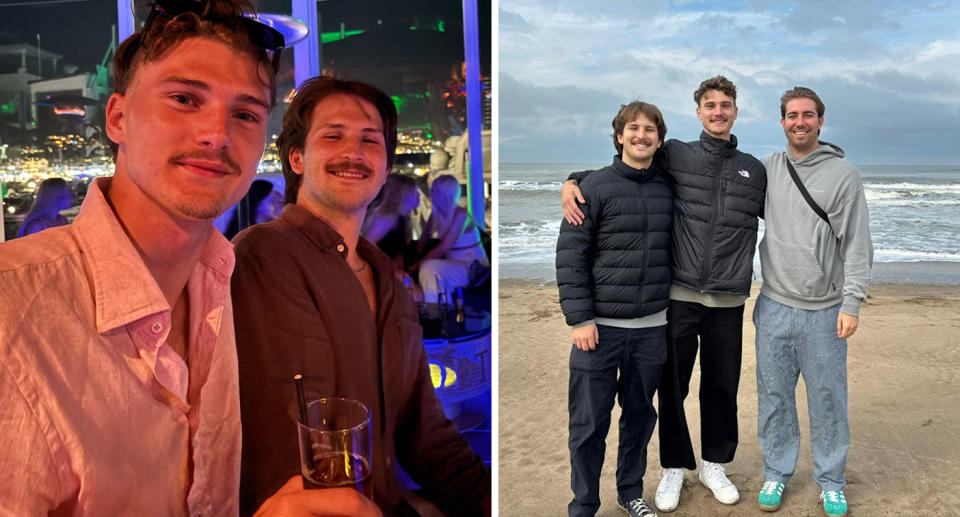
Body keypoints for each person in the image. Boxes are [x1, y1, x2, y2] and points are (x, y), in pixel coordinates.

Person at [0, 1, 379, 515]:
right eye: (183, 98)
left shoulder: (218, 285)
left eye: (245, 114)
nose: (217, 134)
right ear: (117, 117)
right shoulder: (13, 312)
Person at [231, 76, 490, 517]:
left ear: (386, 167)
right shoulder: (259, 255)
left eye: (370, 141)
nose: (353, 152)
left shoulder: (387, 279)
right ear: (296, 157)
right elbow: (272, 441)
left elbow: (426, 434)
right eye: (333, 136)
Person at [562, 76, 766, 512]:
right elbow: (622, 171)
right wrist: (573, 180)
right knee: (673, 390)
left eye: (725, 104)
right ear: (698, 112)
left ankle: (714, 464)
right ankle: (673, 467)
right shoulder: (677, 155)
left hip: (728, 298)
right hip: (677, 296)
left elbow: (787, 217)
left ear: (735, 110)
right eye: (709, 104)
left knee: (721, 387)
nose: (717, 111)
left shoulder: (754, 169)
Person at [753, 87, 871, 517]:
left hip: (825, 310)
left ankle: (831, 481)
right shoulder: (767, 168)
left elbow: (857, 244)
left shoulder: (844, 175)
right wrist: (578, 179)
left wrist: (852, 303)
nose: (799, 122)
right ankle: (776, 471)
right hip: (773, 305)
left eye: (807, 115)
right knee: (774, 397)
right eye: (791, 115)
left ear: (821, 121)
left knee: (828, 400)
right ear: (781, 122)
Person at [556, 101, 673, 517]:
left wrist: (573, 177)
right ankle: (584, 504)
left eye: (650, 130)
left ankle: (630, 492)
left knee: (640, 418)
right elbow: (571, 258)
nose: (642, 136)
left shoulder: (668, 185)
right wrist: (581, 319)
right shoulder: (594, 189)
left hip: (651, 329)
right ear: (620, 135)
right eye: (633, 129)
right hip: (598, 331)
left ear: (659, 139)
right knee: (588, 425)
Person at [412, 174, 489, 303]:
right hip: (455, 264)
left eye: (437, 191)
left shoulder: (460, 215)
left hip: (473, 267)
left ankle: (437, 310)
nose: (433, 194)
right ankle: (440, 308)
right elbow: (424, 238)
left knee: (429, 268)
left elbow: (443, 248)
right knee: (429, 269)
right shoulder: (436, 214)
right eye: (434, 190)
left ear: (448, 194)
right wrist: (417, 254)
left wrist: (418, 264)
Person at [361, 173, 419, 267]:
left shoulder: (402, 217)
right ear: (404, 195)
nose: (419, 195)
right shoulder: (388, 217)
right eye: (415, 192)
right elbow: (367, 245)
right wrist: (392, 269)